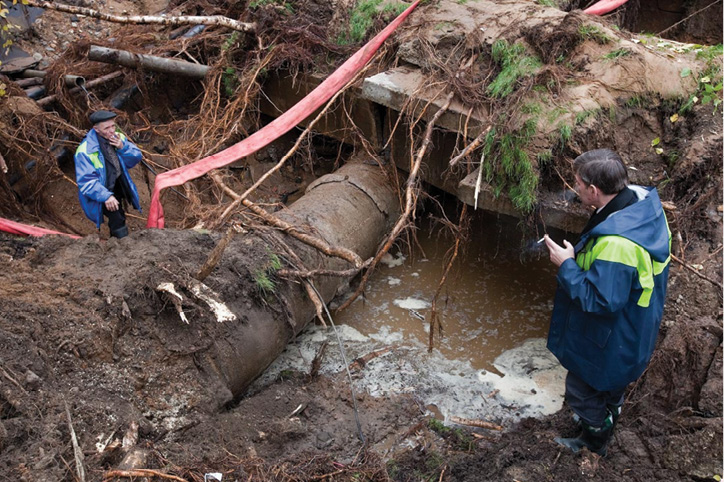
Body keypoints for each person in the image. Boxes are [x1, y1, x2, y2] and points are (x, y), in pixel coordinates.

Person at [543, 148, 670, 456]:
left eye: (579, 185)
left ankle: (593, 439)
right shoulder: (642, 205)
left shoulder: (617, 245)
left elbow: (599, 301)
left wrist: (567, 264)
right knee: (612, 384)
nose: (575, 190)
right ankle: (611, 412)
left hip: (612, 336)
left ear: (595, 190)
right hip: (635, 327)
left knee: (582, 388)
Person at [74, 110, 142, 238]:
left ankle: (118, 240)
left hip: (118, 182)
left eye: (113, 126)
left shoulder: (117, 138)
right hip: (101, 189)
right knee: (116, 217)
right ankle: (121, 244)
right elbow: (86, 182)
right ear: (96, 129)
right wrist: (106, 196)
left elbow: (136, 157)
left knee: (119, 212)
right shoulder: (85, 151)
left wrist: (123, 147)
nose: (112, 131)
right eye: (107, 128)